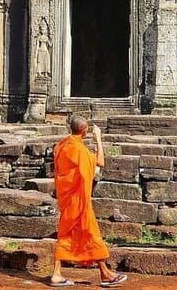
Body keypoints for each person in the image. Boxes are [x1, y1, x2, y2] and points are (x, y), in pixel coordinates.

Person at [49, 115, 127, 288]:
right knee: (90, 233)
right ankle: (105, 273)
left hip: (66, 198)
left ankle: (57, 274)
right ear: (84, 131)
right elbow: (100, 162)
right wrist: (98, 139)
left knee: (67, 233)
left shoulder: (61, 146)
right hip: (78, 200)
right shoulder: (78, 150)